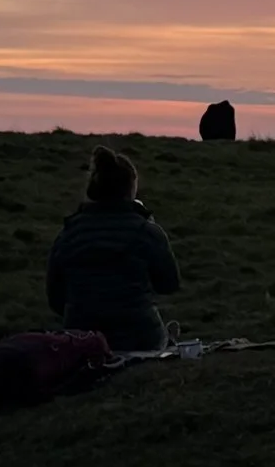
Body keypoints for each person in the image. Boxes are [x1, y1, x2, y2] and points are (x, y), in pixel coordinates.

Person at [45, 147, 181, 351]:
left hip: (82, 339)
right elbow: (169, 284)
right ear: (130, 189)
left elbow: (56, 299)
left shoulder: (69, 233)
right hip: (140, 337)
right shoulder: (146, 231)